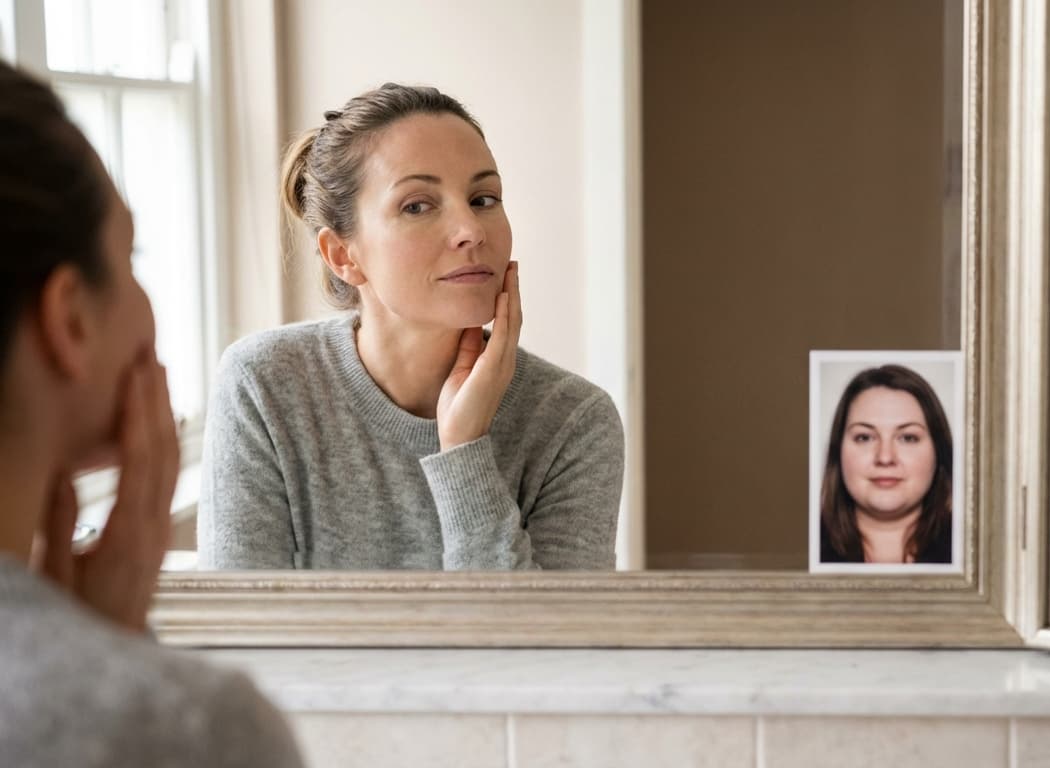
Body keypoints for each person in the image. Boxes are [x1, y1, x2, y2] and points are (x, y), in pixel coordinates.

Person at [0, 61, 303, 766]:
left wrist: (99, 641)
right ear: (69, 319)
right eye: (129, 254)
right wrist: (111, 664)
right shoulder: (190, 728)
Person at [198, 83, 624, 570]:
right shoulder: (263, 383)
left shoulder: (575, 421)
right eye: (417, 206)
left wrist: (464, 451)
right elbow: (239, 631)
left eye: (484, 198)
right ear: (342, 255)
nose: (471, 230)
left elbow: (544, 642)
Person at [818, 365, 954, 564]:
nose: (885, 457)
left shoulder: (980, 554)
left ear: (938, 452)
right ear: (838, 452)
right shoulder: (798, 550)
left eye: (908, 438)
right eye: (864, 437)